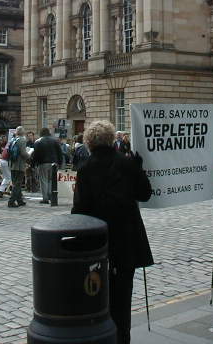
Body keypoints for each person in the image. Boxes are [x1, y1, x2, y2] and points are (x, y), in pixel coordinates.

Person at [72, 120, 153, 344]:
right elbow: (145, 194)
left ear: (89, 142)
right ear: (111, 139)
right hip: (126, 239)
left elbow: (79, 209)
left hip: (98, 241)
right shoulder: (127, 163)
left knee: (96, 296)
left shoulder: (85, 168)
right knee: (123, 297)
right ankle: (122, 338)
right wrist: (138, 168)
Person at [32, 128, 63, 204]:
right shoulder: (55, 141)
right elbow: (59, 153)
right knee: (51, 180)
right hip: (54, 163)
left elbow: (35, 155)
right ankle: (50, 196)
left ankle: (45, 198)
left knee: (44, 180)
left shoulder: (38, 141)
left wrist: (33, 164)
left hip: (43, 163)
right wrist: (60, 163)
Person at [8, 126, 30, 208]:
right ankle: (11, 201)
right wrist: (29, 155)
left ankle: (19, 200)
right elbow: (23, 153)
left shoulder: (13, 139)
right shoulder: (22, 140)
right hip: (19, 165)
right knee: (17, 184)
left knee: (15, 183)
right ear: (23, 132)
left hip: (12, 164)